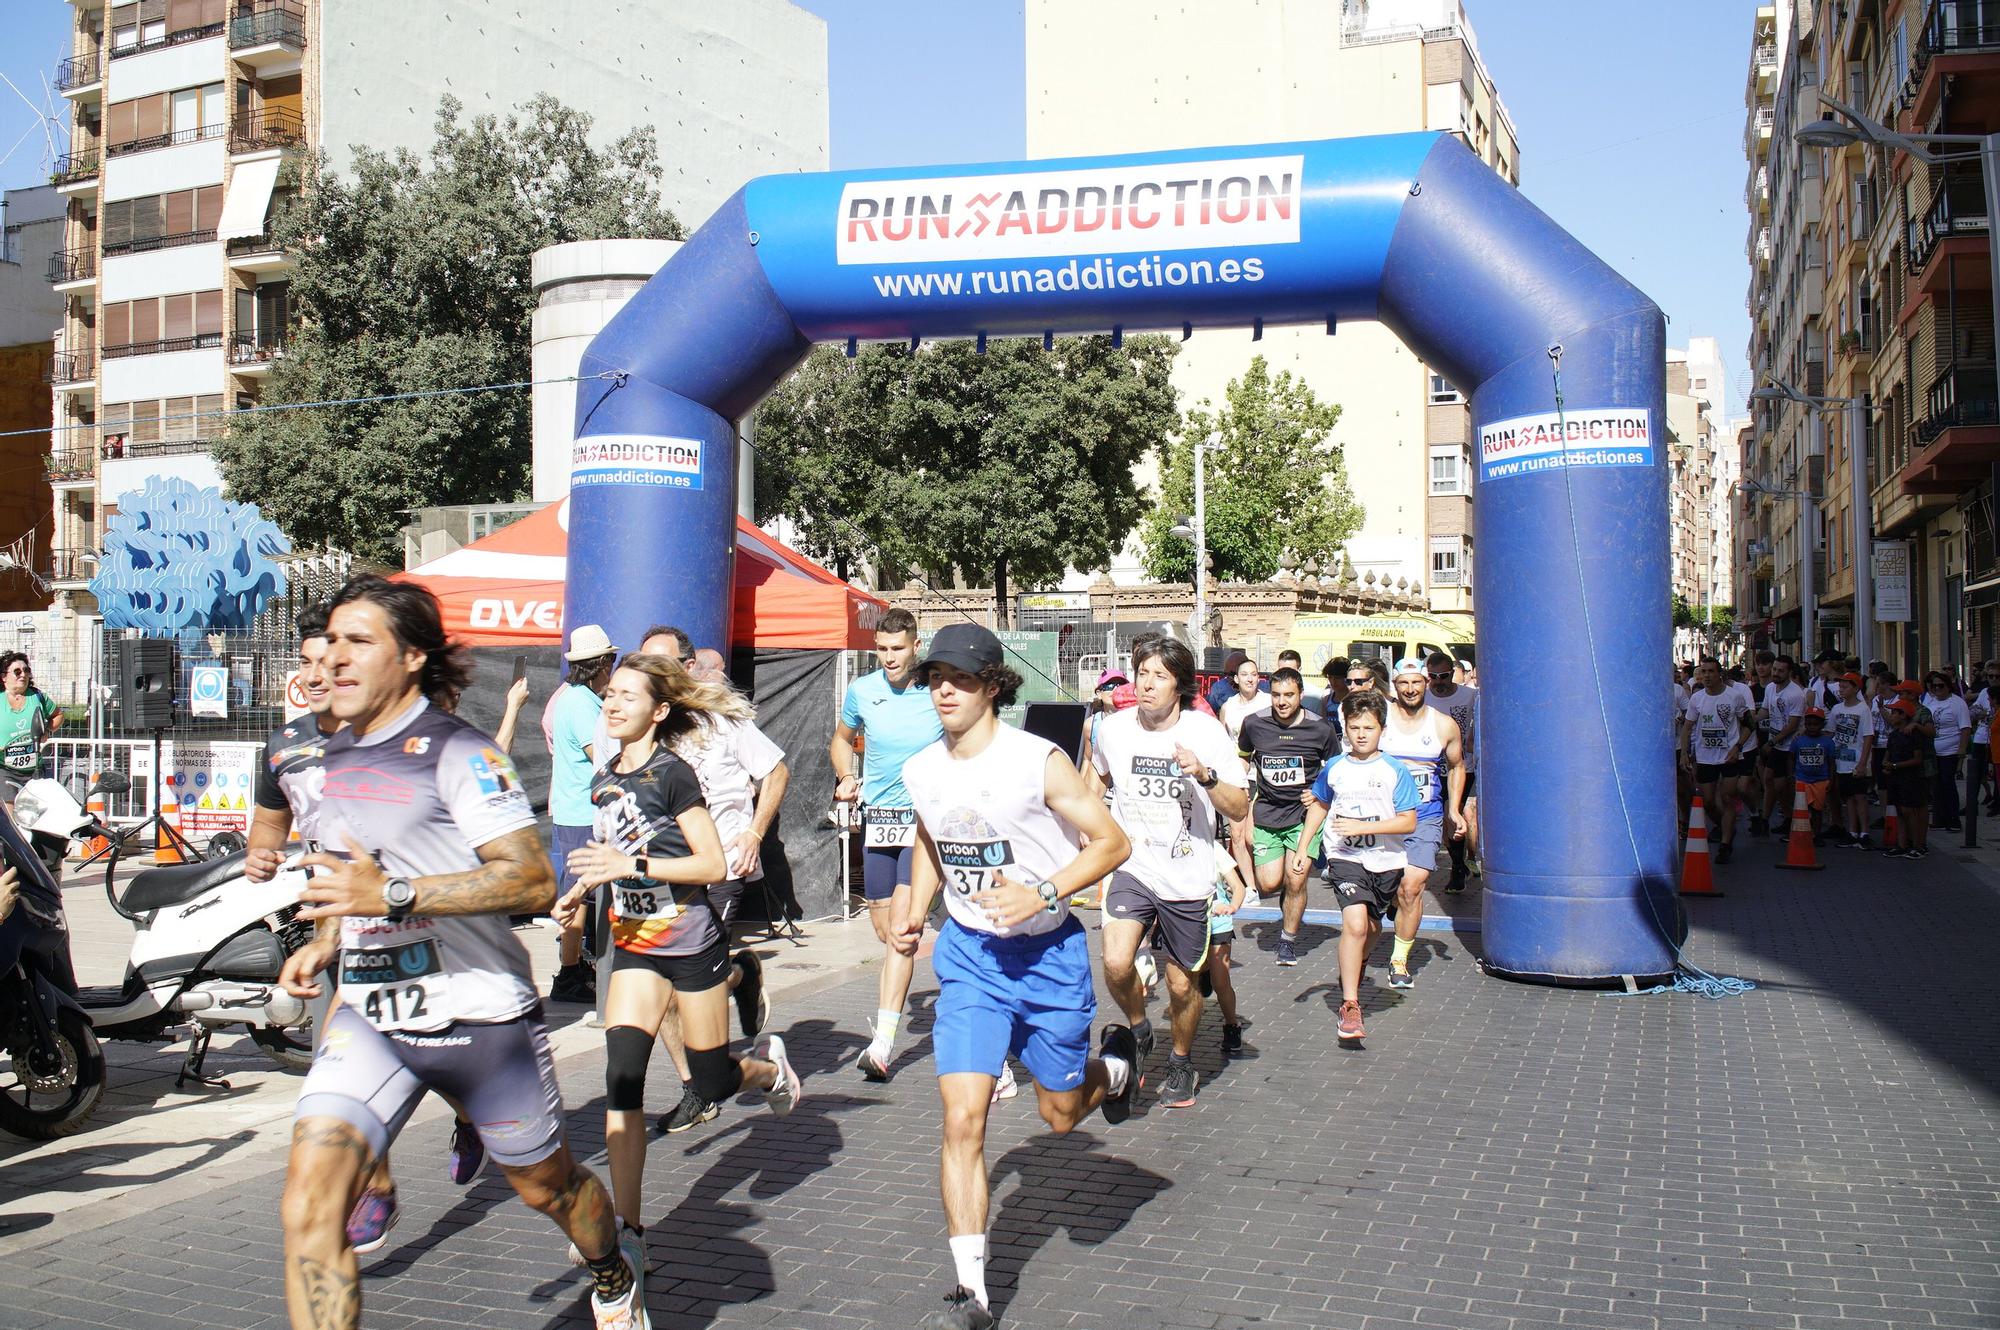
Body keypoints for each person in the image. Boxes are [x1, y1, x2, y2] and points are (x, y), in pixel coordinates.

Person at [276, 576, 644, 1330]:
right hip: (374, 1016)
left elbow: (531, 879)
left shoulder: (460, 753)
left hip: (481, 1023)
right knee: (308, 1206)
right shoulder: (332, 756)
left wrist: (397, 898)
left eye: (359, 642)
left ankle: (612, 1271)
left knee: (549, 1189)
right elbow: (360, 875)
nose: (333, 662)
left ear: (412, 657)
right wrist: (322, 939)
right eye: (330, 643)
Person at [889, 623, 1136, 1330]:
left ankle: (1113, 1073)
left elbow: (1113, 842)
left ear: (994, 685)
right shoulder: (921, 769)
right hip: (971, 958)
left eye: (962, 678)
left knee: (1058, 1117)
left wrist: (1046, 894)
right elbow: (931, 839)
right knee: (963, 1118)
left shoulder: (1039, 761)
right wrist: (914, 909)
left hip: (1048, 955)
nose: (944, 688)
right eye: (936, 675)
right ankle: (972, 1291)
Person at [247, 609, 483, 1253]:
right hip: (337, 924)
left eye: (335, 658)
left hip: (417, 916)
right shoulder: (284, 745)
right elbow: (269, 825)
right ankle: (375, 1186)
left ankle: (472, 1113)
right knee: (340, 1064)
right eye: (307, 661)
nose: (321, 672)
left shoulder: (398, 734)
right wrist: (262, 854)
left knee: (436, 1049)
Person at [552, 654, 800, 1263]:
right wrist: (579, 892)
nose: (612, 705)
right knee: (622, 1080)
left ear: (659, 711)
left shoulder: (673, 775)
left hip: (690, 942)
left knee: (713, 1078)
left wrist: (631, 868)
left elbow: (710, 866)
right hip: (636, 945)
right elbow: (610, 850)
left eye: (628, 697)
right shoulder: (602, 776)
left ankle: (769, 1071)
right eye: (610, 694)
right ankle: (628, 1230)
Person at [1088, 635, 1248, 1111]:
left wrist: (1204, 775)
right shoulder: (1112, 729)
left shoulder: (1206, 731)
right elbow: (1093, 780)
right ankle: (1140, 1028)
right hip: (1133, 865)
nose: (1147, 684)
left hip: (1187, 875)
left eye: (1160, 675)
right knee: (1116, 963)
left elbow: (1238, 807)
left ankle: (1180, 1060)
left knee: (1181, 985)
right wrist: (1083, 828)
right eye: (1142, 673)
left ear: (1180, 684)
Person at [640, 638, 789, 1133]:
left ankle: (738, 981)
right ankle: (696, 1089)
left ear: (685, 667)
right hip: (664, 874)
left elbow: (776, 771)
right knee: (662, 989)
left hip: (720, 868)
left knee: (682, 990)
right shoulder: (646, 727)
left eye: (663, 662)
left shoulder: (721, 720)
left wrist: (753, 832)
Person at [831, 608, 944, 1082]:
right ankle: (945, 914)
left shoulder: (936, 691)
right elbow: (841, 740)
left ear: (916, 646)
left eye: (898, 649)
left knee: (899, 929)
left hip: (924, 824)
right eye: (882, 649)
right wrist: (846, 775)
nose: (890, 658)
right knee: (885, 929)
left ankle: (882, 1045)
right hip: (879, 821)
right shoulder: (862, 691)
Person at [1295, 691, 1422, 1043]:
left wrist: (1364, 827)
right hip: (1344, 857)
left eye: (1369, 727)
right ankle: (1350, 1005)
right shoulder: (1334, 767)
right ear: (1344, 729)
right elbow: (1320, 805)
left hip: (1386, 862)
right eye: (1354, 727)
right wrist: (1304, 847)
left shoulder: (1395, 771)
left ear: (1382, 729)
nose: (1362, 734)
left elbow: (1408, 821)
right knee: (1353, 924)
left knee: (1370, 929)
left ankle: (1357, 965)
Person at [1234, 667, 1339, 967]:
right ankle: (1289, 897)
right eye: (1277, 695)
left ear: (1301, 695)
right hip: (1267, 810)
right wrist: (1238, 785)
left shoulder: (1320, 729)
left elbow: (1335, 768)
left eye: (1289, 695)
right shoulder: (1254, 724)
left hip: (1303, 815)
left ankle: (1288, 941)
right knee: (1268, 884)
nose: (1282, 702)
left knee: (1296, 878)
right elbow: (1242, 756)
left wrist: (1318, 791)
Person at [1377, 659, 1465, 990]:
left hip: (1425, 817)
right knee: (1391, 889)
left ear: (1426, 683)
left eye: (1416, 683)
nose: (1411, 690)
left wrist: (1453, 810)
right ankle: (1392, 903)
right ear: (1394, 687)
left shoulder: (1443, 725)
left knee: (1412, 886)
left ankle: (1399, 960)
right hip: (1383, 818)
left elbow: (1457, 766)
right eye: (1404, 684)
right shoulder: (1381, 721)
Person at [549, 625, 620, 1004]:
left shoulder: (576, 699)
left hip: (575, 808)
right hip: (580, 812)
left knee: (581, 890)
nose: (614, 665)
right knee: (578, 892)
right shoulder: (580, 705)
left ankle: (575, 967)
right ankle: (569, 971)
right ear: (600, 664)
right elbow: (602, 759)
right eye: (611, 659)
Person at [1678, 657, 1754, 863]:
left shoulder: (1734, 696)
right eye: (1703, 672)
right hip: (1705, 756)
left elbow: (1749, 723)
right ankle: (1725, 826)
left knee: (1728, 797)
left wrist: (1738, 746)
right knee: (1709, 801)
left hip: (1729, 755)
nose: (1707, 676)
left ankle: (1725, 844)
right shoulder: (1697, 699)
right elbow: (1687, 727)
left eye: (1711, 671)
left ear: (1719, 674)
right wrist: (1685, 752)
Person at [1423, 652, 1479, 893]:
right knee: (1445, 818)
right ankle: (1458, 866)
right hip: (1434, 768)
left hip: (1464, 767)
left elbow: (1483, 718)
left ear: (1453, 674)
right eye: (1434, 677)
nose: (1439, 681)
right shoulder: (1423, 698)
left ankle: (1461, 865)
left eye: (1444, 676)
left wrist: (1473, 734)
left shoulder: (1470, 695)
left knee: (1457, 815)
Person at [0, 652, 61, 813]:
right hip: (5, 770)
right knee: (11, 821)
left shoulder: (37, 696)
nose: (23, 675)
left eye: (26, 670)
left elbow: (58, 715)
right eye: (17, 671)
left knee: (37, 817)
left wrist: (48, 728)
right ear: (4, 677)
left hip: (35, 770)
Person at [1205, 841, 1249, 1055]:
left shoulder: (1213, 847)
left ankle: (1232, 1025)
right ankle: (1203, 973)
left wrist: (1233, 906)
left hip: (1217, 923)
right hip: (1188, 924)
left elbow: (1238, 887)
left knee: (1221, 982)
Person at [1826, 672, 1876, 850]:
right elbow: (1830, 732)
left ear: (1856, 688)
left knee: (1860, 797)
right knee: (1848, 797)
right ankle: (1852, 831)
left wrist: (1863, 762)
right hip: (1841, 761)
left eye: (1845, 686)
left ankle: (1864, 832)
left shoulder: (1863, 709)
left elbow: (1868, 736)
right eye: (1840, 686)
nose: (1841, 690)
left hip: (1857, 760)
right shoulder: (1837, 709)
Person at [1760, 655, 1806, 836]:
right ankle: (1766, 819)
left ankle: (1790, 818)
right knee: (1768, 780)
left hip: (1789, 746)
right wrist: (1752, 718)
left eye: (1780, 670)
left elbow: (1793, 725)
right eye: (1775, 669)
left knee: (1783, 785)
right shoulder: (1771, 688)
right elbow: (1765, 710)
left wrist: (1772, 741)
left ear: (1789, 672)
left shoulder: (1795, 694)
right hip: (1776, 744)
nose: (1776, 673)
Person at [1880, 699, 1931, 860]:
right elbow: (1887, 755)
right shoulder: (1894, 735)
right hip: (1895, 778)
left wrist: (1895, 765)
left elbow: (1917, 759)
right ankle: (1902, 845)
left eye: (1895, 712)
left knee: (1910, 811)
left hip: (1910, 778)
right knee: (1900, 811)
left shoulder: (1914, 735)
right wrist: (1886, 764)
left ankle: (1918, 846)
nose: (1892, 715)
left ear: (1903, 715)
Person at [1925, 671, 1972, 834]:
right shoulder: (1930, 703)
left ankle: (1953, 819)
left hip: (1950, 750)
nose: (1938, 688)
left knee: (1948, 783)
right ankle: (1939, 819)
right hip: (1933, 751)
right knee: (1935, 786)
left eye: (1941, 685)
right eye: (1934, 686)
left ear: (1948, 686)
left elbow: (1965, 727)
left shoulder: (1957, 703)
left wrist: (1962, 749)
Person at [1790, 710, 1837, 841]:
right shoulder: (1798, 740)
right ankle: (1802, 833)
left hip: (1821, 780)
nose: (1812, 727)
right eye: (1809, 724)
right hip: (1802, 779)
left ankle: (1816, 834)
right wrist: (1792, 774)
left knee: (1817, 810)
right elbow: (1792, 757)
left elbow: (1832, 763)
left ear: (1822, 725)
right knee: (1803, 808)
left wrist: (1831, 780)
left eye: (1815, 724)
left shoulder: (1828, 742)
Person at [1217, 655, 1271, 740]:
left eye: (1253, 674)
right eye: (1244, 674)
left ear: (1258, 678)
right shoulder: (1227, 707)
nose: (1249, 679)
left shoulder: (1269, 703)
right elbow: (1222, 742)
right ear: (1236, 679)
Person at [1318, 657, 1352, 724]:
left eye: (1337, 678)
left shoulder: (1354, 699)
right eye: (1330, 677)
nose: (1333, 681)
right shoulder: (1326, 700)